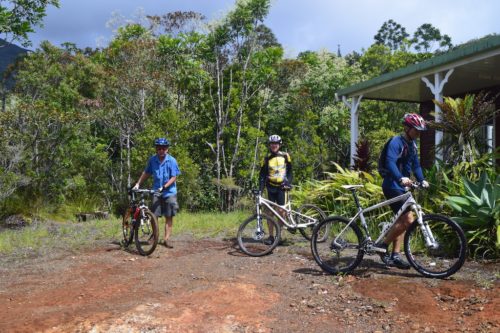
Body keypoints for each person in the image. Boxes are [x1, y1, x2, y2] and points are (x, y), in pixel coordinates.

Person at [376, 113, 429, 269]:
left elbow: (416, 166)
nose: (418, 134)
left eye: (420, 131)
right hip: (392, 185)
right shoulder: (396, 142)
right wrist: (400, 178)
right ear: (407, 128)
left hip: (402, 186)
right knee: (408, 220)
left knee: (403, 221)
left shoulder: (412, 145)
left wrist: (422, 180)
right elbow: (390, 162)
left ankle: (395, 256)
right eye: (416, 130)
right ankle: (382, 246)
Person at [133, 138, 181, 248]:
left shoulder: (172, 161)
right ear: (156, 149)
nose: (161, 150)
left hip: (169, 192)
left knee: (169, 216)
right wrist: (138, 184)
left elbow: (174, 177)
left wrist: (164, 187)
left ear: (167, 149)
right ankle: (154, 236)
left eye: (163, 148)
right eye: (159, 148)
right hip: (156, 191)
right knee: (154, 215)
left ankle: (167, 239)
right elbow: (146, 172)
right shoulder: (152, 160)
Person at [258, 134, 292, 245]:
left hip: (282, 187)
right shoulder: (266, 158)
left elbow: (290, 172)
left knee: (281, 211)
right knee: (269, 212)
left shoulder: (286, 156)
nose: (274, 145)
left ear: (279, 145)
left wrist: (288, 182)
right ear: (269, 145)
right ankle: (271, 236)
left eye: (276, 143)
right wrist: (260, 190)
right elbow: (262, 175)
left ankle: (279, 236)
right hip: (271, 187)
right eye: (272, 143)